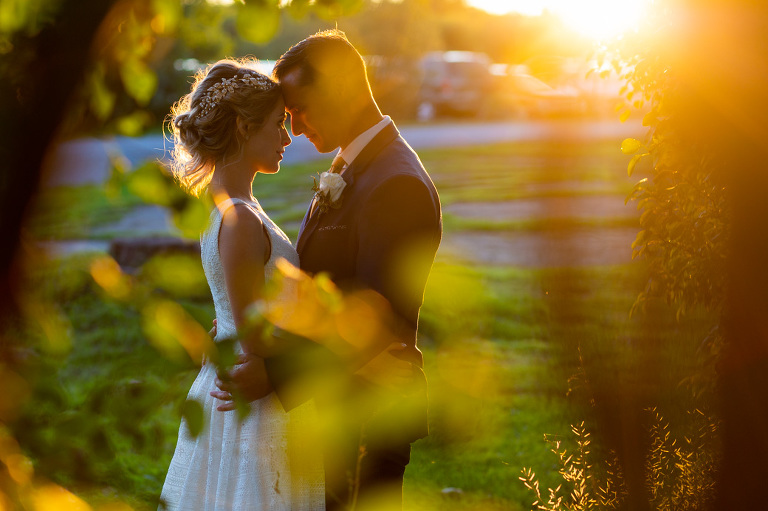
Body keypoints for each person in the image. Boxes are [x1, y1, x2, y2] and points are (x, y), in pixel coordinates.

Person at [213, 30, 443, 511]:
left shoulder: (395, 183)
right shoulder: (356, 165)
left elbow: (379, 325)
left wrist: (275, 376)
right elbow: (330, 285)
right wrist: (252, 317)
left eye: (299, 109)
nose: (292, 128)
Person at [158, 59, 326, 511]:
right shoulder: (240, 219)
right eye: (277, 125)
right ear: (243, 127)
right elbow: (255, 336)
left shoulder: (232, 207)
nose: (288, 138)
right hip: (254, 404)